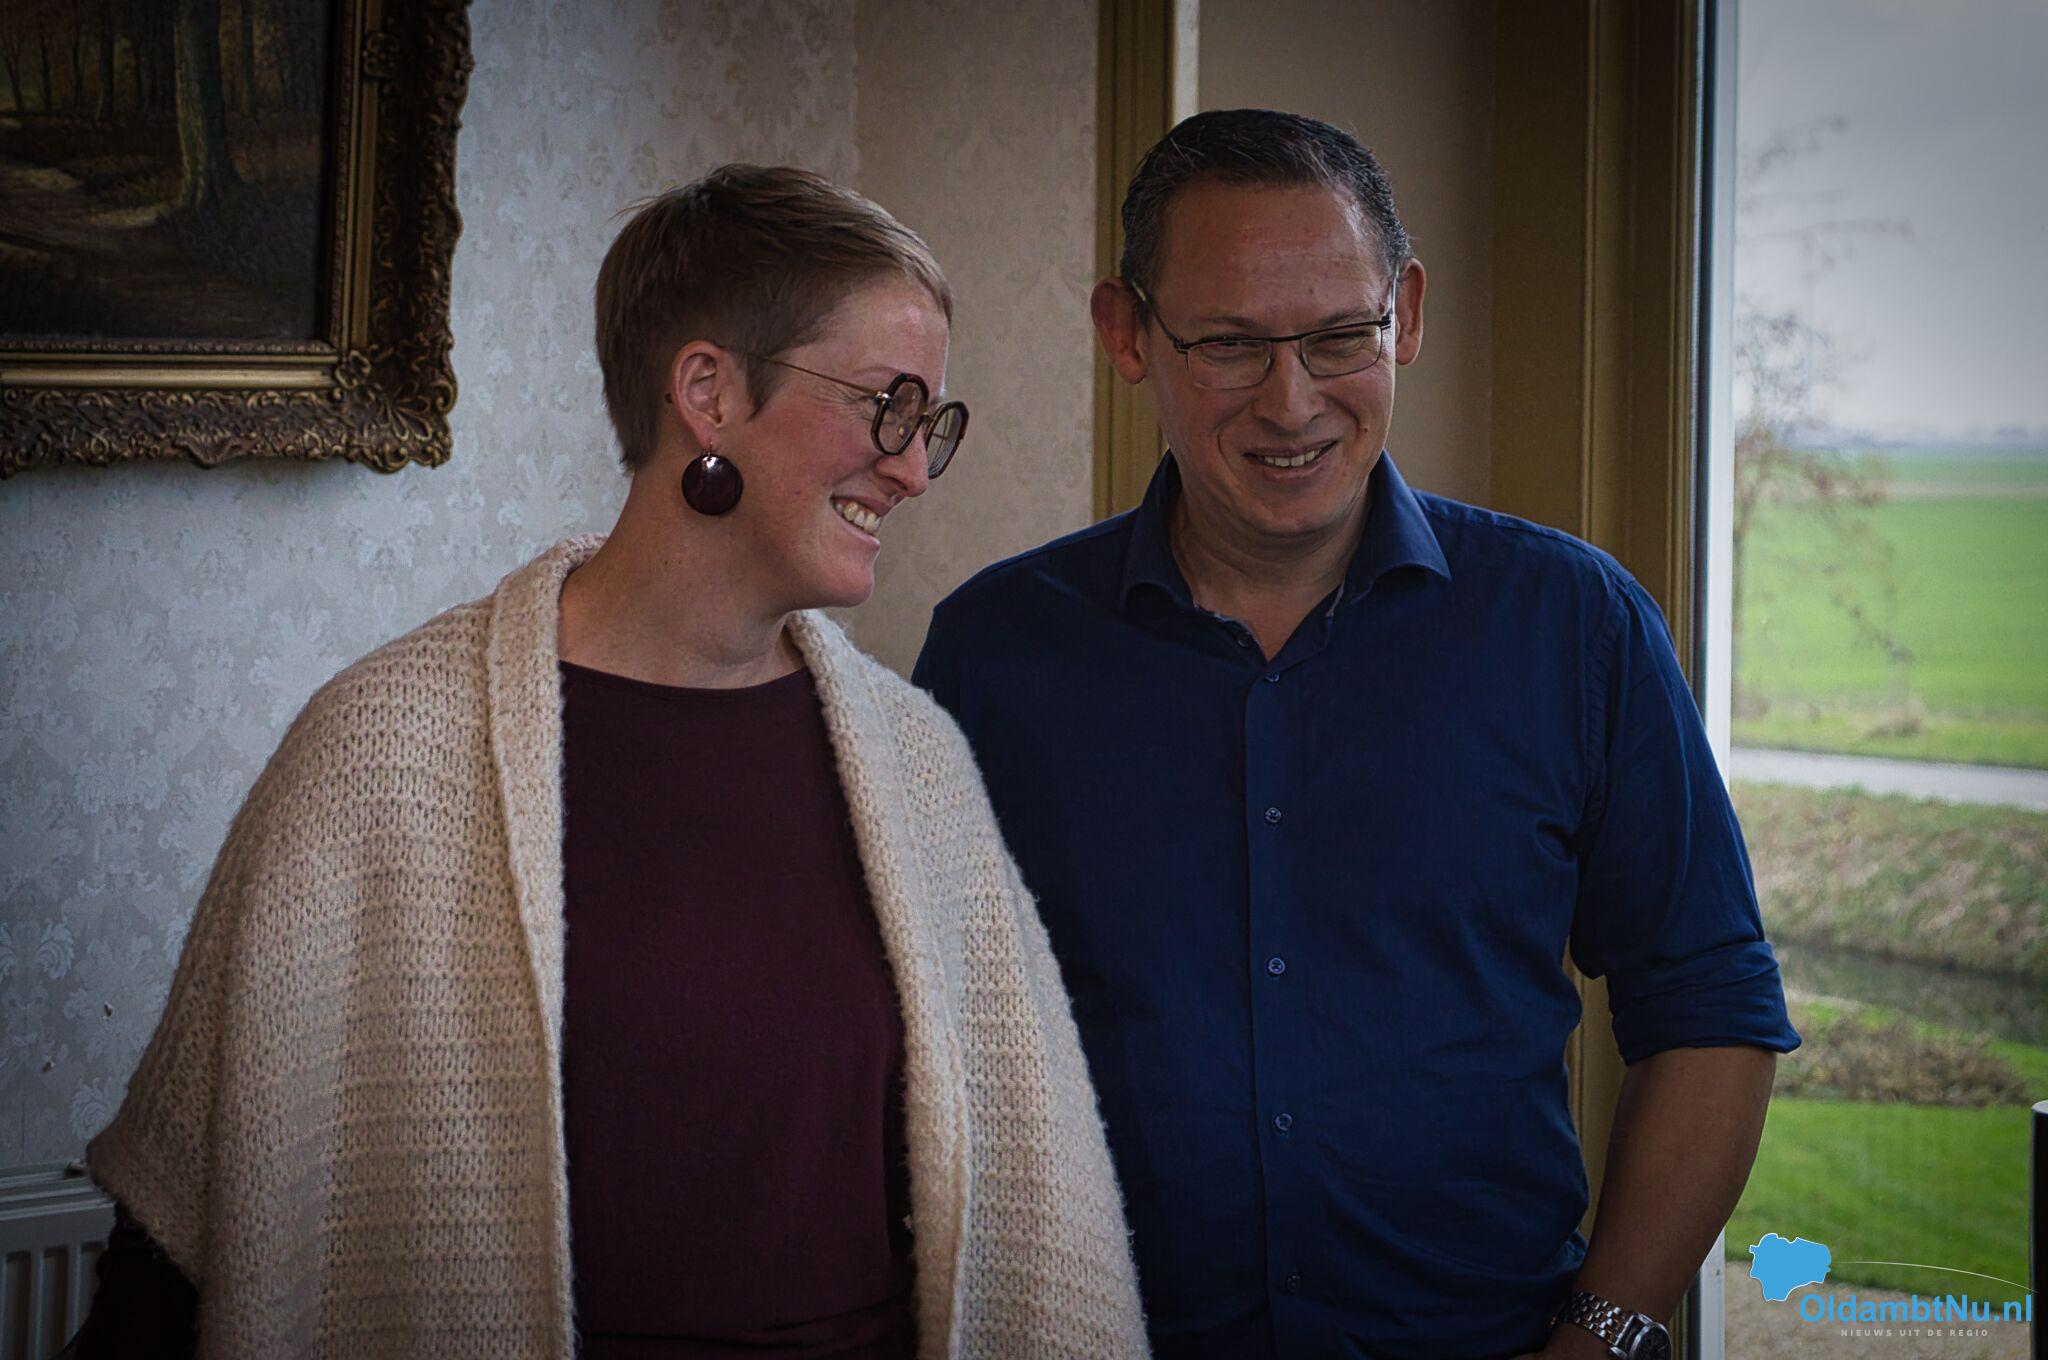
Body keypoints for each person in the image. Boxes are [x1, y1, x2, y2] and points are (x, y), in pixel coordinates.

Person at [75, 164, 1148, 1360]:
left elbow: (1025, 1218)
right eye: (884, 405)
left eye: (928, 421)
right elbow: (180, 1244)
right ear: (708, 392)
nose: (911, 468)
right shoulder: (382, 753)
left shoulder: (918, 766)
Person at [913, 110, 1800, 1360]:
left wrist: (1600, 1340)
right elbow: (913, 1050)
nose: (1292, 403)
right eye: (1228, 344)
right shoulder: (995, 651)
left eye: (1339, 337)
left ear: (1407, 315)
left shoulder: (1573, 625)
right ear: (1126, 334)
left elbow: (1709, 1006)